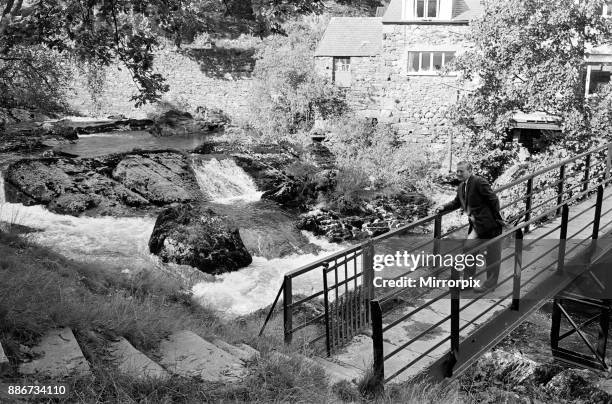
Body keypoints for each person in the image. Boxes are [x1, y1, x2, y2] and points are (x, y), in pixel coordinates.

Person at [435, 161, 505, 293]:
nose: (459, 174)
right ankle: (468, 282)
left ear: (470, 171)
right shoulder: (461, 186)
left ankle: (490, 284)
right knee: (468, 250)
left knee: (492, 255)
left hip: (490, 225)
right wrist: (444, 207)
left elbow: (493, 199)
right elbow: (457, 202)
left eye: (462, 171)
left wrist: (496, 218)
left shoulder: (479, 181)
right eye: (457, 171)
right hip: (476, 227)